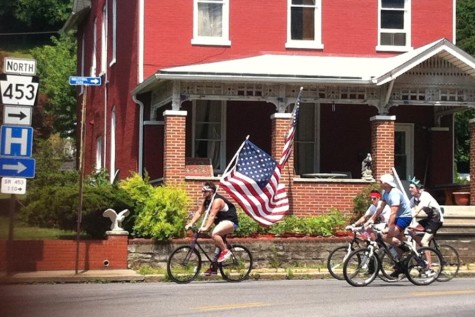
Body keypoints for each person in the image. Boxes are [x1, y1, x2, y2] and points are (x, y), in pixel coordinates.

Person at [185, 181, 239, 276]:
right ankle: (214, 268)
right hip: (220, 223)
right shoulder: (206, 201)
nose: (203, 193)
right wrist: (190, 223)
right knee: (217, 244)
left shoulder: (217, 200)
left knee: (214, 234)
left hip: (230, 222)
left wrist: (206, 227)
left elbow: (212, 214)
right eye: (203, 191)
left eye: (205, 191)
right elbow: (199, 213)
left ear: (211, 192)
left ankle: (226, 251)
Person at [365, 173, 413, 277]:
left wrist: (389, 227)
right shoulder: (385, 192)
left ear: (386, 184)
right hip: (396, 218)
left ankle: (405, 248)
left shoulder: (395, 194)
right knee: (396, 245)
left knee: (385, 236)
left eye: (381, 182)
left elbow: (393, 212)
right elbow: (380, 208)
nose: (380, 183)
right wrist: (371, 219)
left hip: (404, 217)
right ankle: (401, 266)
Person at [407, 176, 444, 248]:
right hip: (429, 219)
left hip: (436, 220)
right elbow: (407, 210)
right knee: (410, 230)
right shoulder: (413, 199)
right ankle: (424, 248)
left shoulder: (425, 195)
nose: (409, 189)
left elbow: (417, 210)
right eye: (409, 187)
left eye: (412, 188)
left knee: (424, 242)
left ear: (418, 189)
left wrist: (409, 217)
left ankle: (426, 250)